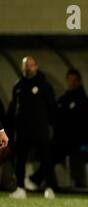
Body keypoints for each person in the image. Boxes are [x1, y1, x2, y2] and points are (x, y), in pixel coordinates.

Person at [26, 68, 88, 192]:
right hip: (62, 138)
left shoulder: (83, 100)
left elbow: (79, 123)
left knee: (54, 151)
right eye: (69, 80)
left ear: (79, 82)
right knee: (49, 149)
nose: (72, 83)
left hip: (77, 139)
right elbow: (55, 115)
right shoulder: (64, 98)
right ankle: (46, 182)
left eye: (74, 80)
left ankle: (37, 179)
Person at [8, 56, 56, 199]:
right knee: (20, 160)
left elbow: (51, 107)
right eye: (26, 66)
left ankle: (49, 188)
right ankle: (20, 188)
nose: (28, 68)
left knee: (46, 158)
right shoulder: (18, 86)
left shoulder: (44, 85)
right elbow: (13, 108)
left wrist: (51, 125)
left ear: (36, 66)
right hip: (23, 130)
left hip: (40, 129)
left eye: (31, 65)